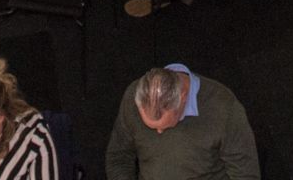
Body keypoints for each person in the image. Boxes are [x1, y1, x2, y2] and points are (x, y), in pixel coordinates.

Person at [104, 66, 257, 180]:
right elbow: (118, 158)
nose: (159, 132)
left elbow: (245, 174)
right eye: (152, 127)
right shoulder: (132, 97)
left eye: (164, 126)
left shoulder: (223, 107)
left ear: (183, 98)